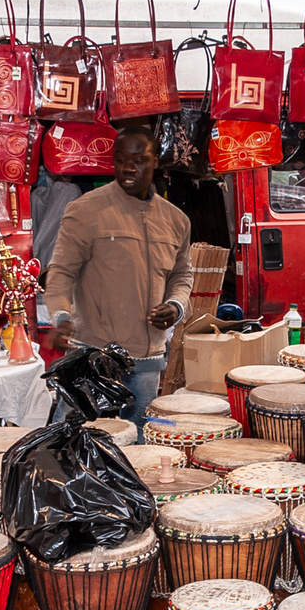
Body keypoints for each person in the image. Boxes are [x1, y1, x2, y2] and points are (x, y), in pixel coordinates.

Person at [45, 127, 193, 432]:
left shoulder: (176, 220)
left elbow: (181, 274)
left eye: (139, 160)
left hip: (148, 358)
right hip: (92, 356)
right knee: (70, 439)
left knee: (138, 445)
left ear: (156, 163)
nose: (128, 167)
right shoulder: (85, 211)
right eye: (121, 159)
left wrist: (176, 306)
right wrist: (61, 315)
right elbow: (61, 271)